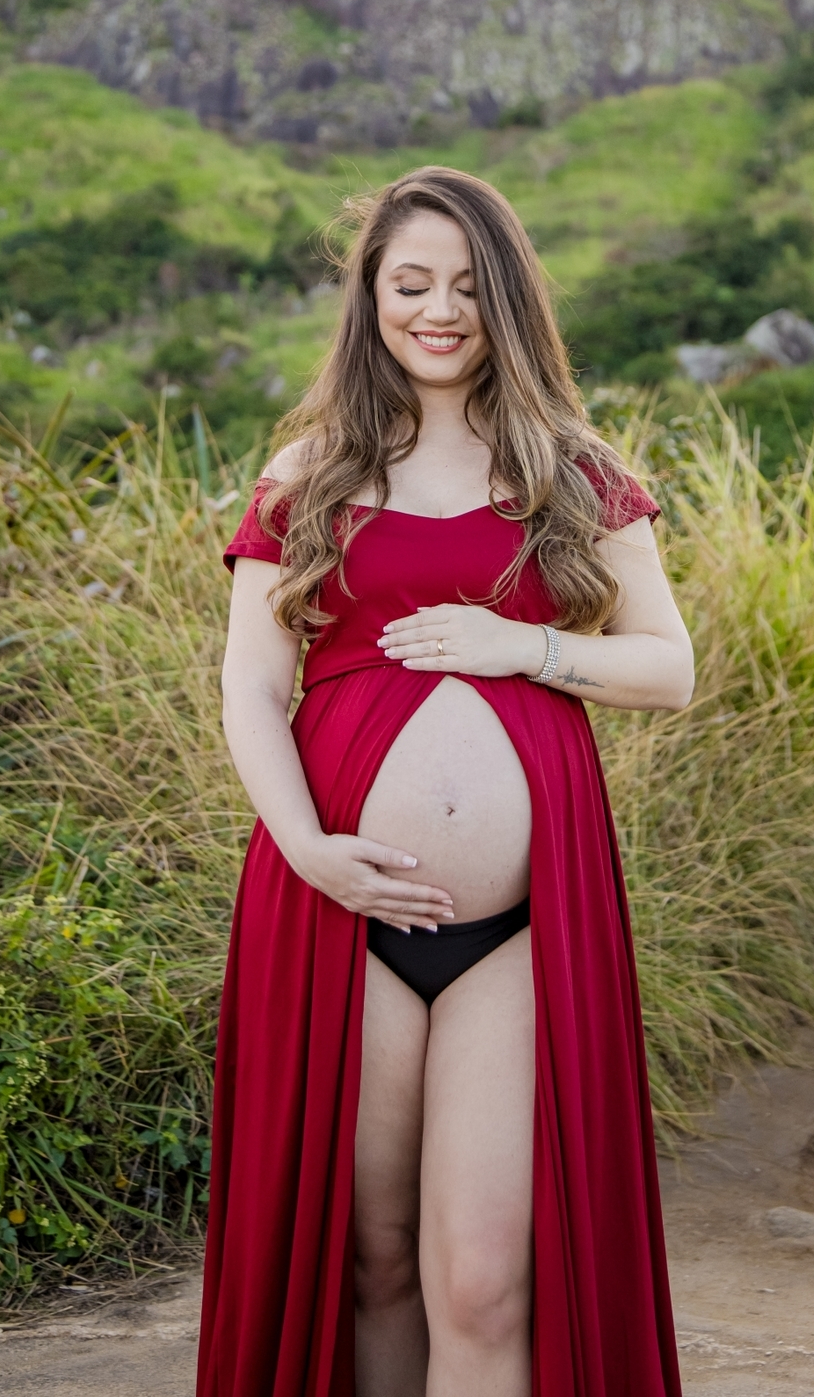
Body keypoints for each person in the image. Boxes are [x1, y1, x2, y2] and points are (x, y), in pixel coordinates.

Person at [197, 166, 694, 1397]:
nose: (439, 309)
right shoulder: (310, 469)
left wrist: (519, 646)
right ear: (369, 297)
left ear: (510, 300)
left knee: (482, 1280)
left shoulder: (573, 468)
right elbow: (253, 684)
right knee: (365, 1262)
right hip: (336, 916)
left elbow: (668, 667)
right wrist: (308, 847)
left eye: (470, 285)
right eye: (410, 282)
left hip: (521, 932)